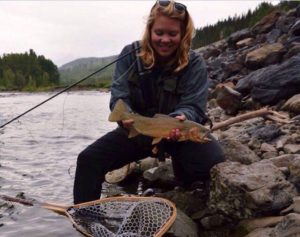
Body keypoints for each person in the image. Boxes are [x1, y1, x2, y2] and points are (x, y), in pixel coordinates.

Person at [73, 0, 224, 204]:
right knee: (88, 160)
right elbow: (119, 94)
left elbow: (194, 104)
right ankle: (85, 213)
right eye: (159, 32)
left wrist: (184, 117)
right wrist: (124, 115)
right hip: (138, 131)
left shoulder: (194, 63)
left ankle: (187, 190)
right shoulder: (130, 55)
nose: (165, 39)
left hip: (178, 134)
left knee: (212, 161)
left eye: (172, 34)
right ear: (149, 30)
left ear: (183, 34)